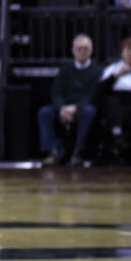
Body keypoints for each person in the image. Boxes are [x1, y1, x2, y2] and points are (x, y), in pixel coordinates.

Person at [38, 34, 101, 165]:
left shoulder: (97, 71)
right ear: (73, 51)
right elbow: (56, 92)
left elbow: (93, 95)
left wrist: (76, 108)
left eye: (85, 48)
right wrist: (61, 108)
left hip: (82, 107)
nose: (82, 52)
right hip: (65, 106)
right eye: (79, 48)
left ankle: (79, 151)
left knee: (90, 111)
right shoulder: (65, 70)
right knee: (44, 112)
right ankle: (52, 151)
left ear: (91, 51)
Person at [92, 37, 131, 164]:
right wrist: (117, 74)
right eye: (128, 51)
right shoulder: (113, 68)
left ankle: (117, 133)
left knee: (116, 107)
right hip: (115, 102)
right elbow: (99, 91)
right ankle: (118, 135)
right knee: (111, 102)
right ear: (122, 53)